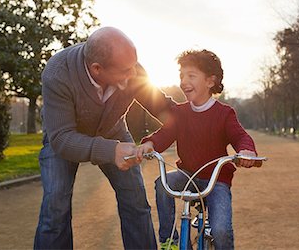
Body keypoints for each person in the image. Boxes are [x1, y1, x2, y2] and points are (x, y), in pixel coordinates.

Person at [34, 26, 175, 250]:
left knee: (136, 200)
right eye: (126, 71)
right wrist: (111, 151)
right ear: (97, 69)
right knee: (55, 207)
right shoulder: (57, 73)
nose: (134, 74)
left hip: (113, 131)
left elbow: (162, 106)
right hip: (64, 136)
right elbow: (61, 138)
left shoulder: (132, 69)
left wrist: (195, 122)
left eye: (134, 66)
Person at [138, 49, 257, 250]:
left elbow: (240, 136)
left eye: (191, 76)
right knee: (162, 184)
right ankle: (170, 242)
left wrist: (246, 151)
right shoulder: (180, 112)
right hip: (188, 175)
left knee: (220, 230)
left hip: (216, 180)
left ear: (210, 81)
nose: (184, 81)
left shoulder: (224, 114)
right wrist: (150, 143)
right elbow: (164, 135)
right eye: (182, 76)